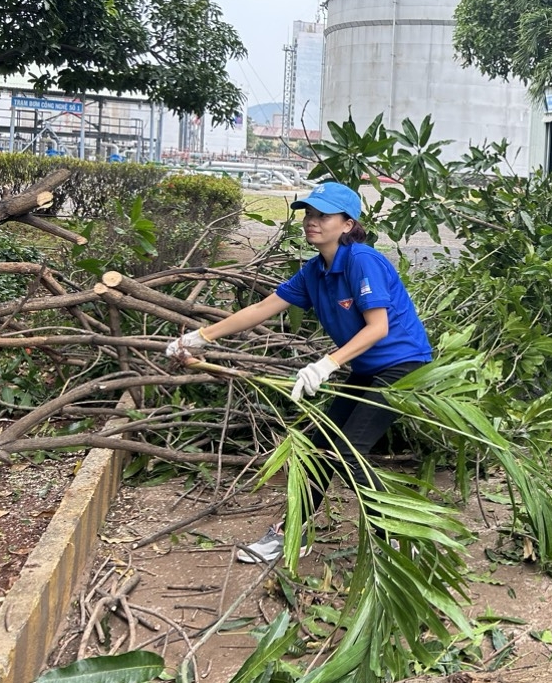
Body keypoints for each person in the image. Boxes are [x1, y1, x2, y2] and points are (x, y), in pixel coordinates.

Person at [165, 180, 433, 563]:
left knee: (349, 449)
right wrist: (201, 337)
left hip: (403, 366)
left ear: (347, 224)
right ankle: (293, 531)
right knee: (320, 444)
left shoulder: (362, 261)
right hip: (367, 368)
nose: (312, 222)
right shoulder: (314, 272)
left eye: (323, 215)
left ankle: (392, 537)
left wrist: (327, 363)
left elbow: (379, 328)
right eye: (309, 214)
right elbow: (262, 308)